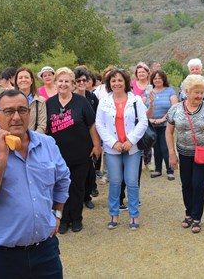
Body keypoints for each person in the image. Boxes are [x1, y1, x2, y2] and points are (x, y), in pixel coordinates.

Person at [0, 90, 70, 279]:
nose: (16, 117)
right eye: (8, 111)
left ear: (29, 113)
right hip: (1, 258)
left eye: (22, 110)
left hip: (45, 251)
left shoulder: (47, 144)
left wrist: (57, 213)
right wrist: (2, 156)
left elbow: (63, 180)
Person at [45, 67, 102, 233]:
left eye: (67, 81)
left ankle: (76, 218)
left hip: (80, 154)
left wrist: (96, 145)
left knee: (77, 188)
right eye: (60, 81)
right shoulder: (49, 104)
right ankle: (62, 220)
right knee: (60, 189)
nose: (63, 84)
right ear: (55, 83)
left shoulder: (81, 102)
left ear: (72, 84)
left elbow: (92, 125)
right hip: (57, 156)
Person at [165, 74, 204, 233]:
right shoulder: (175, 109)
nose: (199, 95)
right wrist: (171, 153)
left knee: (198, 184)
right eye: (196, 92)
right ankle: (189, 213)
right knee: (186, 185)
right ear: (186, 92)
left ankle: (197, 217)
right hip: (184, 153)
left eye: (201, 92)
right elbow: (169, 132)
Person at [96, 68, 147, 230]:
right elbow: (100, 124)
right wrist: (112, 143)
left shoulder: (135, 100)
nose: (116, 83)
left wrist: (131, 140)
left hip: (132, 148)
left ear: (125, 82)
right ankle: (114, 214)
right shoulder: (104, 102)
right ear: (109, 83)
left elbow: (143, 122)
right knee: (115, 182)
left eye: (120, 80)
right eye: (113, 80)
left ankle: (134, 215)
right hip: (113, 149)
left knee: (132, 182)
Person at [73, 67, 100, 209]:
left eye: (85, 80)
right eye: (79, 80)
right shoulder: (70, 97)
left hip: (90, 137)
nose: (82, 82)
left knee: (90, 170)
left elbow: (97, 117)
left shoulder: (91, 97)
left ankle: (87, 197)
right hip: (76, 139)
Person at [146, 69, 178, 180]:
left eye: (160, 78)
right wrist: (152, 120)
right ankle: (158, 169)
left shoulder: (170, 91)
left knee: (165, 147)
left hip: (166, 125)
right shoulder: (149, 92)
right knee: (156, 148)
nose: (157, 80)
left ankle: (170, 170)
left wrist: (163, 119)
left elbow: (174, 107)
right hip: (152, 125)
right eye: (155, 78)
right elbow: (143, 109)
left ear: (163, 79)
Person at [14, 66, 47, 133]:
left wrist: (31, 139)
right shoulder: (10, 100)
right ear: (16, 81)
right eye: (20, 78)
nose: (23, 80)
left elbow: (42, 125)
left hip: (34, 140)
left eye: (26, 77)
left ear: (31, 81)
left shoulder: (40, 101)